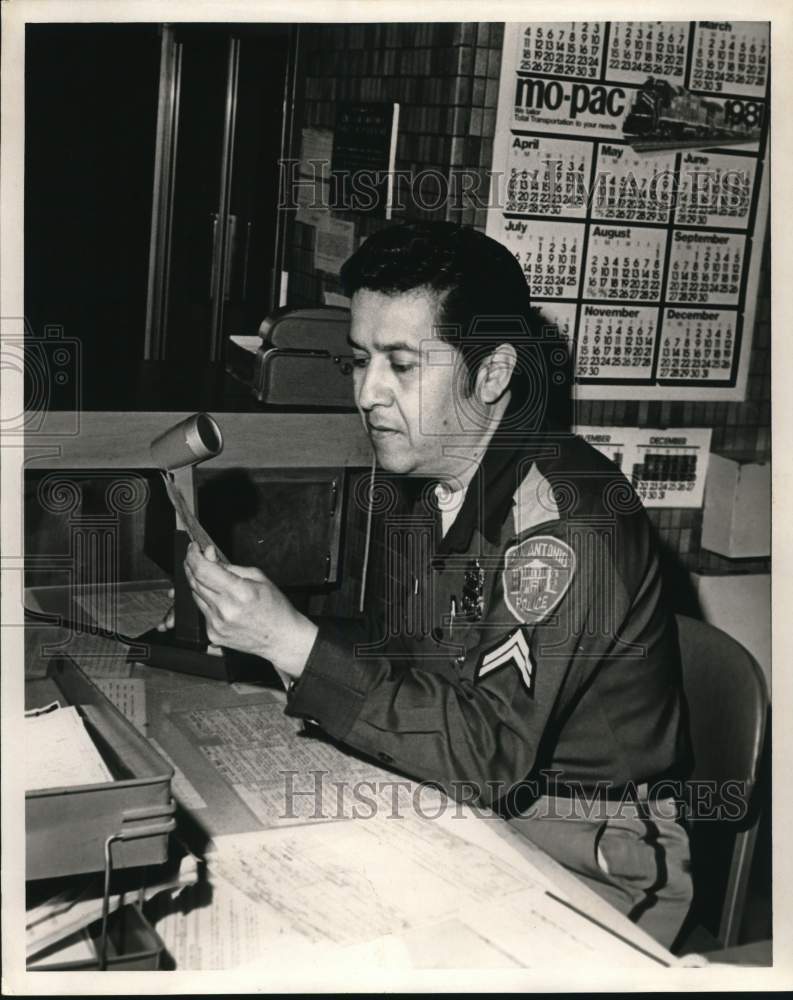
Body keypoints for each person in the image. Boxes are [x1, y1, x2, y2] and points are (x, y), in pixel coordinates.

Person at [180, 221, 693, 948]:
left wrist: (293, 644)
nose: (368, 394)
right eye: (359, 360)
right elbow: (403, 655)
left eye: (401, 364)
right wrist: (268, 634)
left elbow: (491, 753)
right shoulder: (433, 479)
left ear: (492, 374)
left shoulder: (566, 523)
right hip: (460, 802)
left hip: (590, 847)